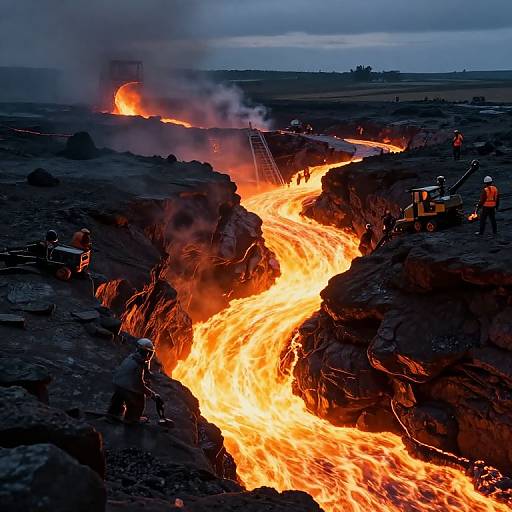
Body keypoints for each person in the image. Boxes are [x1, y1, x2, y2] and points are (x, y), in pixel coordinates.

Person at [107, 338, 160, 424]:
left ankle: (114, 412)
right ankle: (133, 417)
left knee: (119, 396)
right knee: (138, 398)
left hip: (117, 384)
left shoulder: (131, 357)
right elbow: (138, 385)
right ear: (148, 353)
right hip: (125, 388)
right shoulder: (139, 364)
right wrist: (151, 394)